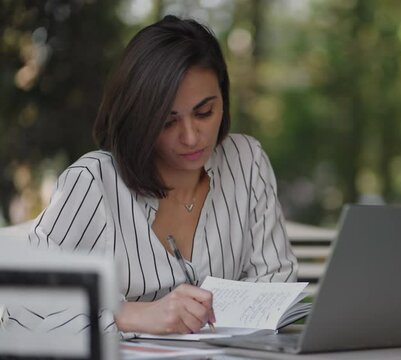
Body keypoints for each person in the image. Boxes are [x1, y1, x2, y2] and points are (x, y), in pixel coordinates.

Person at [16, 15, 297, 335]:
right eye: (168, 121)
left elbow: (276, 284)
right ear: (139, 116)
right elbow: (23, 310)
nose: (191, 137)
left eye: (205, 112)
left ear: (223, 98)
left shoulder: (247, 161)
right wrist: (131, 315)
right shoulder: (94, 183)